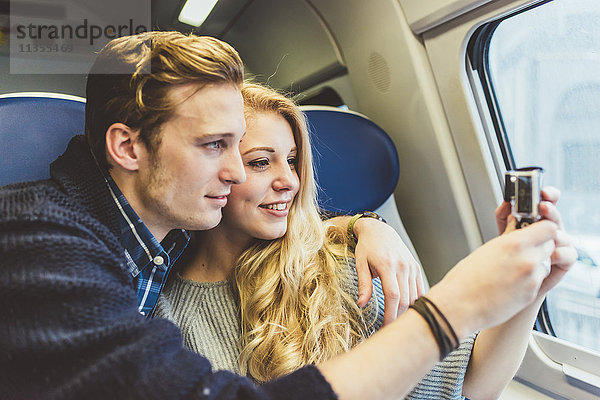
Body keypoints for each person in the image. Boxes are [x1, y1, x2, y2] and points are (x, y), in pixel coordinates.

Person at [0, 31, 576, 400]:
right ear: (128, 148)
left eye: (242, 151)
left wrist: (358, 225)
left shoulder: (159, 238)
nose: (234, 173)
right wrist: (455, 307)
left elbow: (468, 385)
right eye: (216, 147)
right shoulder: (53, 249)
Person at [156, 83, 577, 399]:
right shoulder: (163, 311)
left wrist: (531, 290)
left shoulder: (336, 266)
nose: (289, 181)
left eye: (291, 160)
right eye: (261, 162)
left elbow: (471, 380)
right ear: (216, 170)